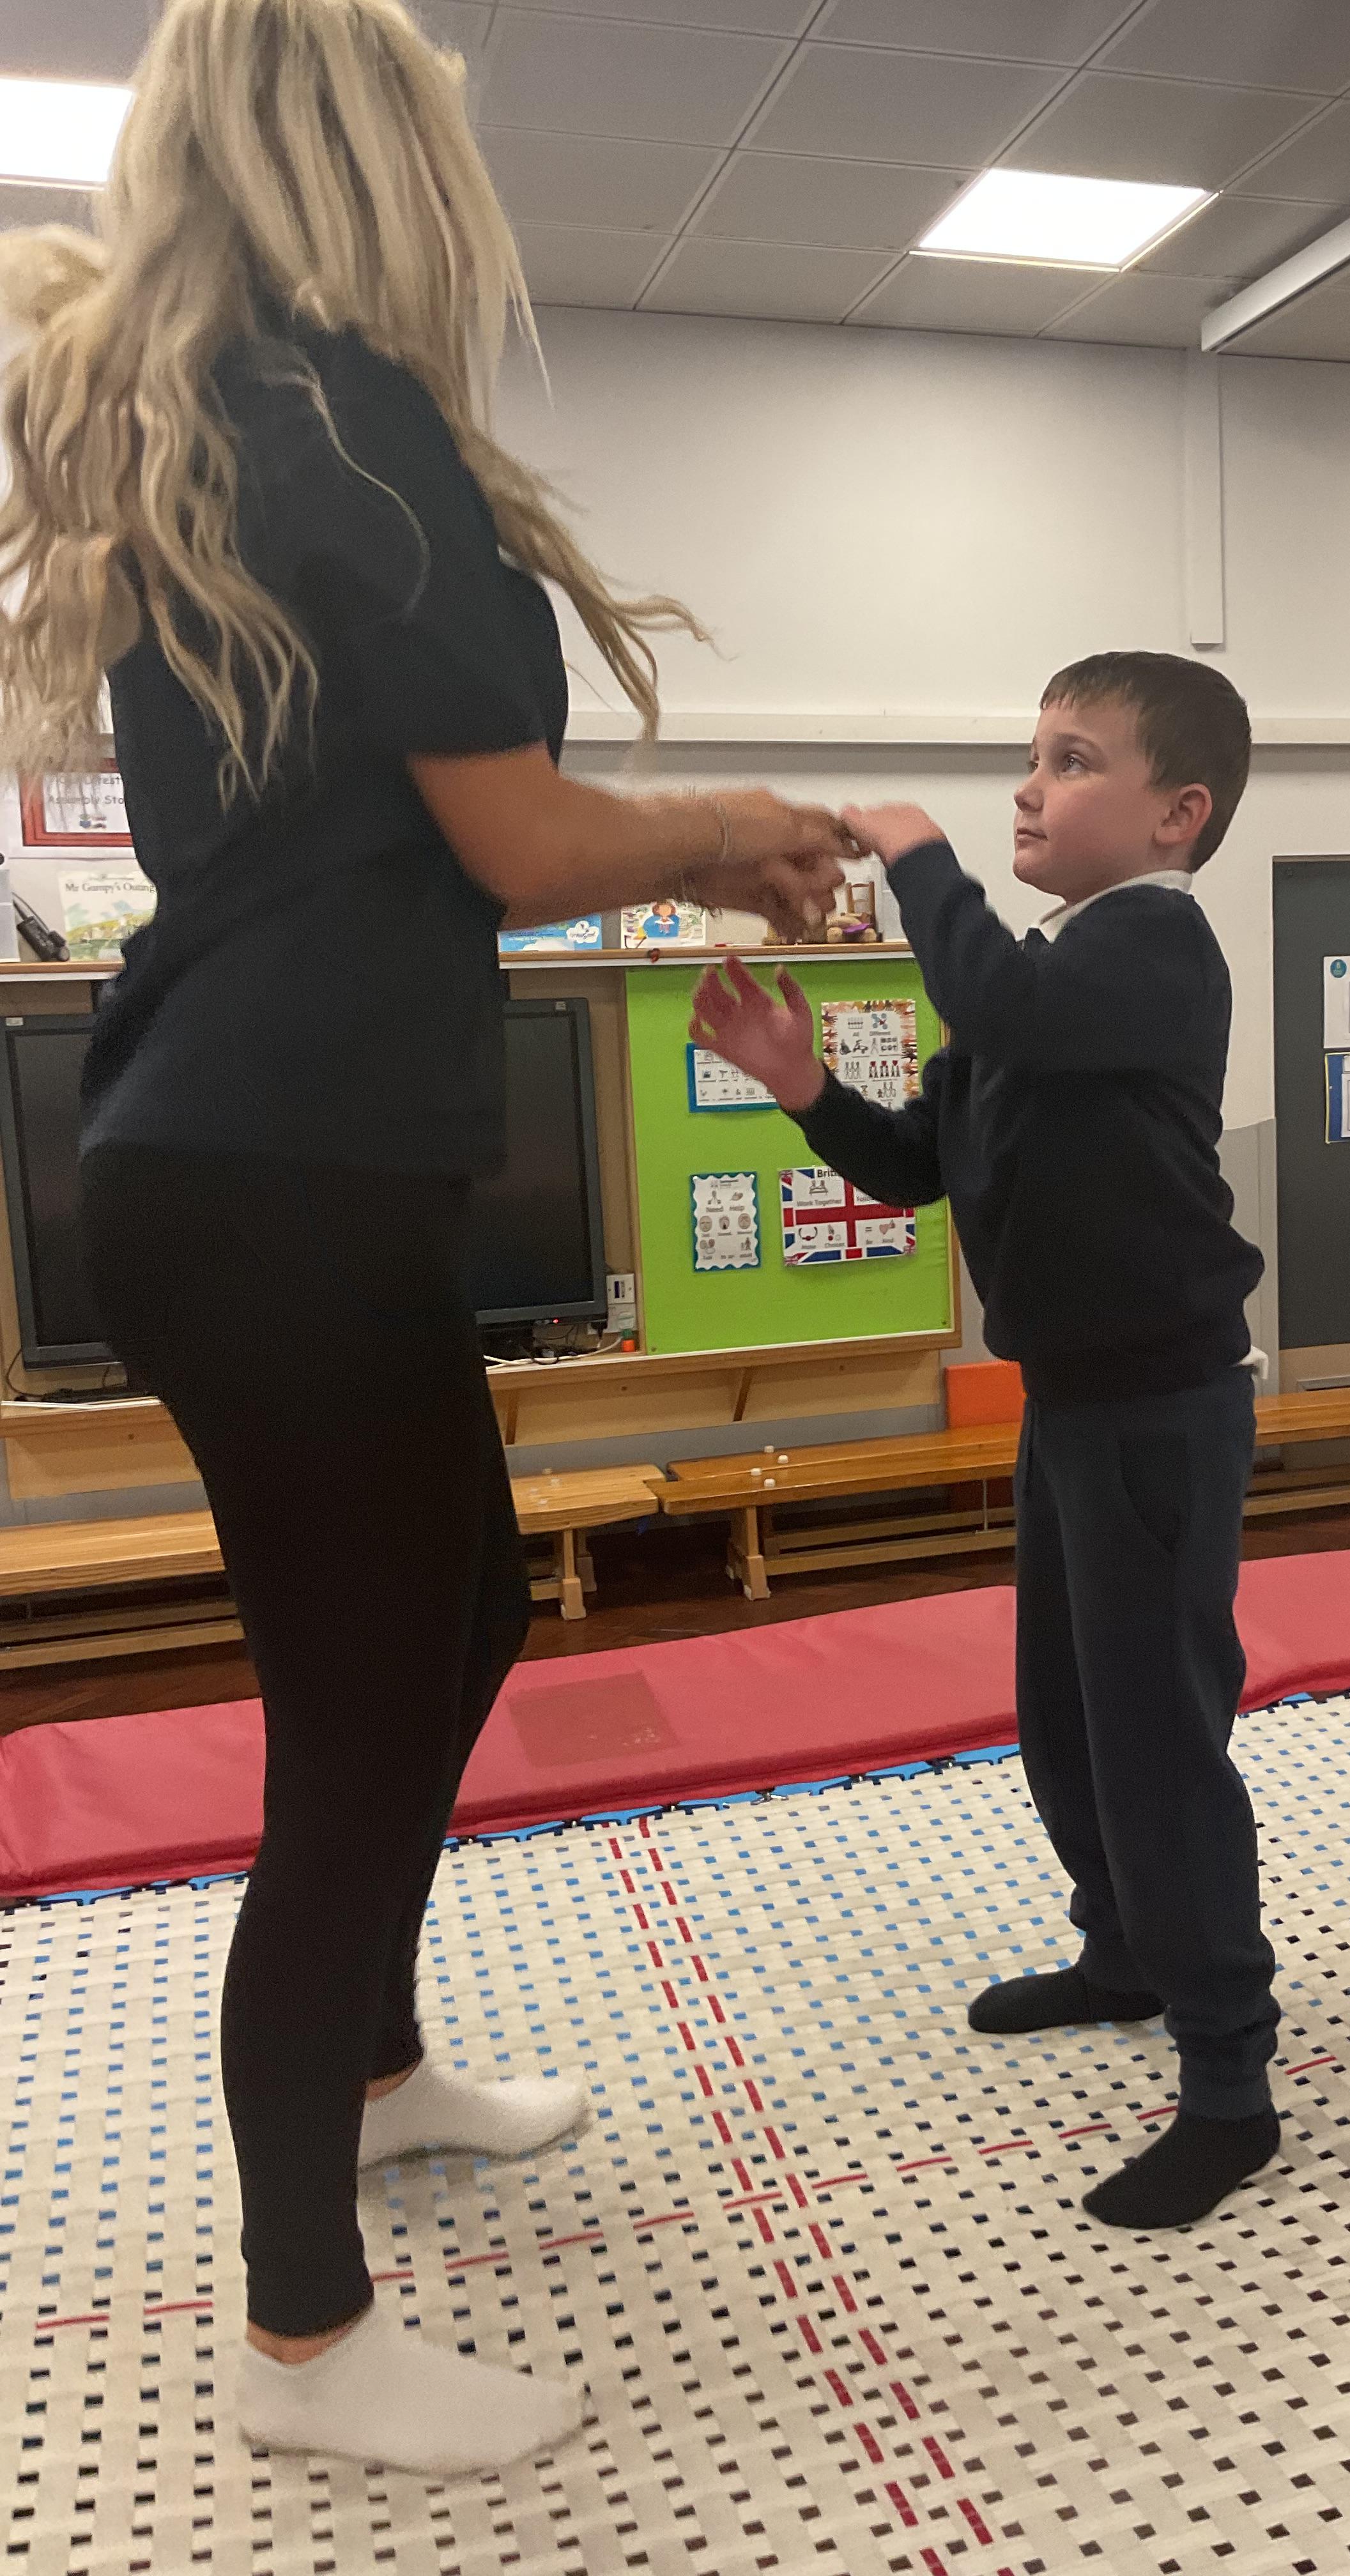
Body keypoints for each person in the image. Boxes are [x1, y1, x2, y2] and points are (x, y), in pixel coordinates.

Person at [0, 0, 848, 2480]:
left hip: (257, 1158)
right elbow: (519, 842)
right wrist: (739, 828)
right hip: (272, 1171)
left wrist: (698, 847)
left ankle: (374, 2075)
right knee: (359, 1733)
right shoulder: (340, 422)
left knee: (459, 1615)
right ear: (382, 161)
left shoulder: (243, 421)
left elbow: (413, 842)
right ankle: (301, 2340)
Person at [689, 652, 1279, 2231]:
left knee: (1157, 1741)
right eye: (1033, 756)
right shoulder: (1040, 979)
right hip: (1071, 1408)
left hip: (1160, 1411)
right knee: (1067, 1718)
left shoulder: (1156, 947)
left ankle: (1230, 2082)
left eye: (1072, 761)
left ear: (1176, 816)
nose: (1030, 786)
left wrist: (915, 849)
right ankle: (1122, 1954)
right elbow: (912, 1165)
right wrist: (800, 1085)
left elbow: (995, 1002)